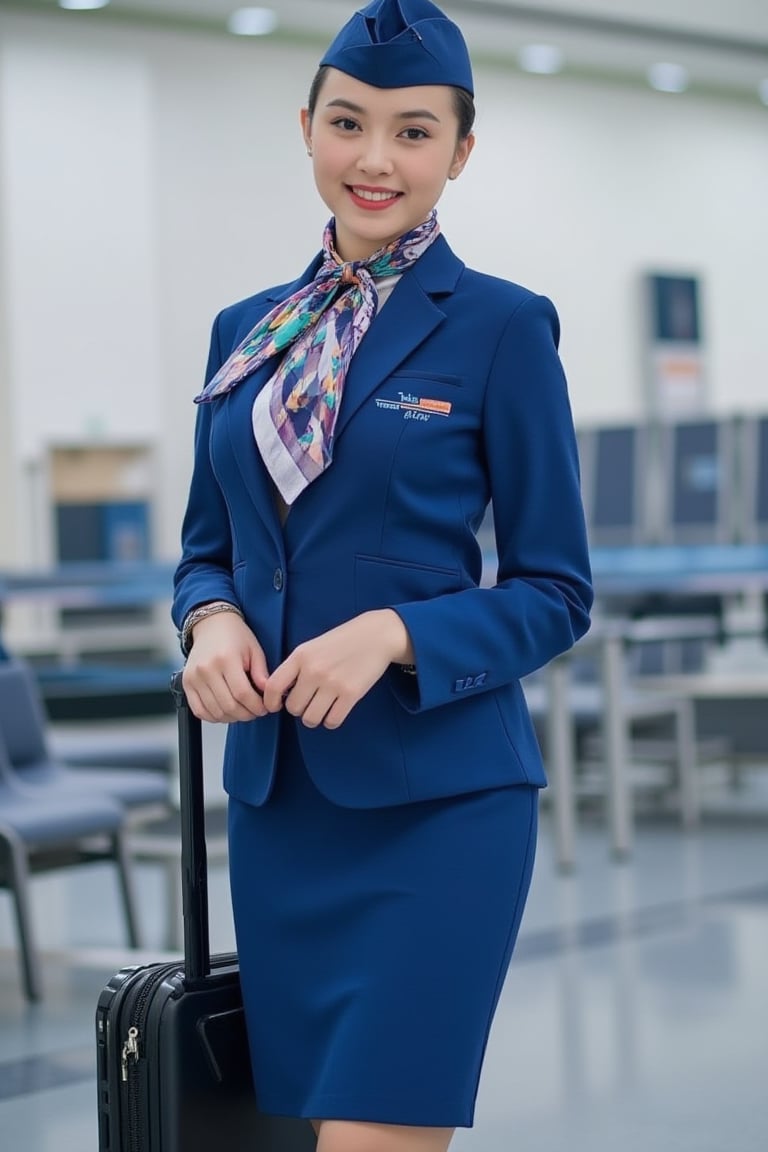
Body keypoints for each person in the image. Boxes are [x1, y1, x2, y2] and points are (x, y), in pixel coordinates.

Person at [173, 2, 592, 1149]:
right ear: (307, 126)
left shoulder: (503, 328)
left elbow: (559, 590)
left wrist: (396, 635)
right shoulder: (244, 333)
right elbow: (208, 544)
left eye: (414, 133)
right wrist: (208, 621)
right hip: (282, 806)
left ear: (460, 152)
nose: (375, 158)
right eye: (349, 123)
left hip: (439, 803)